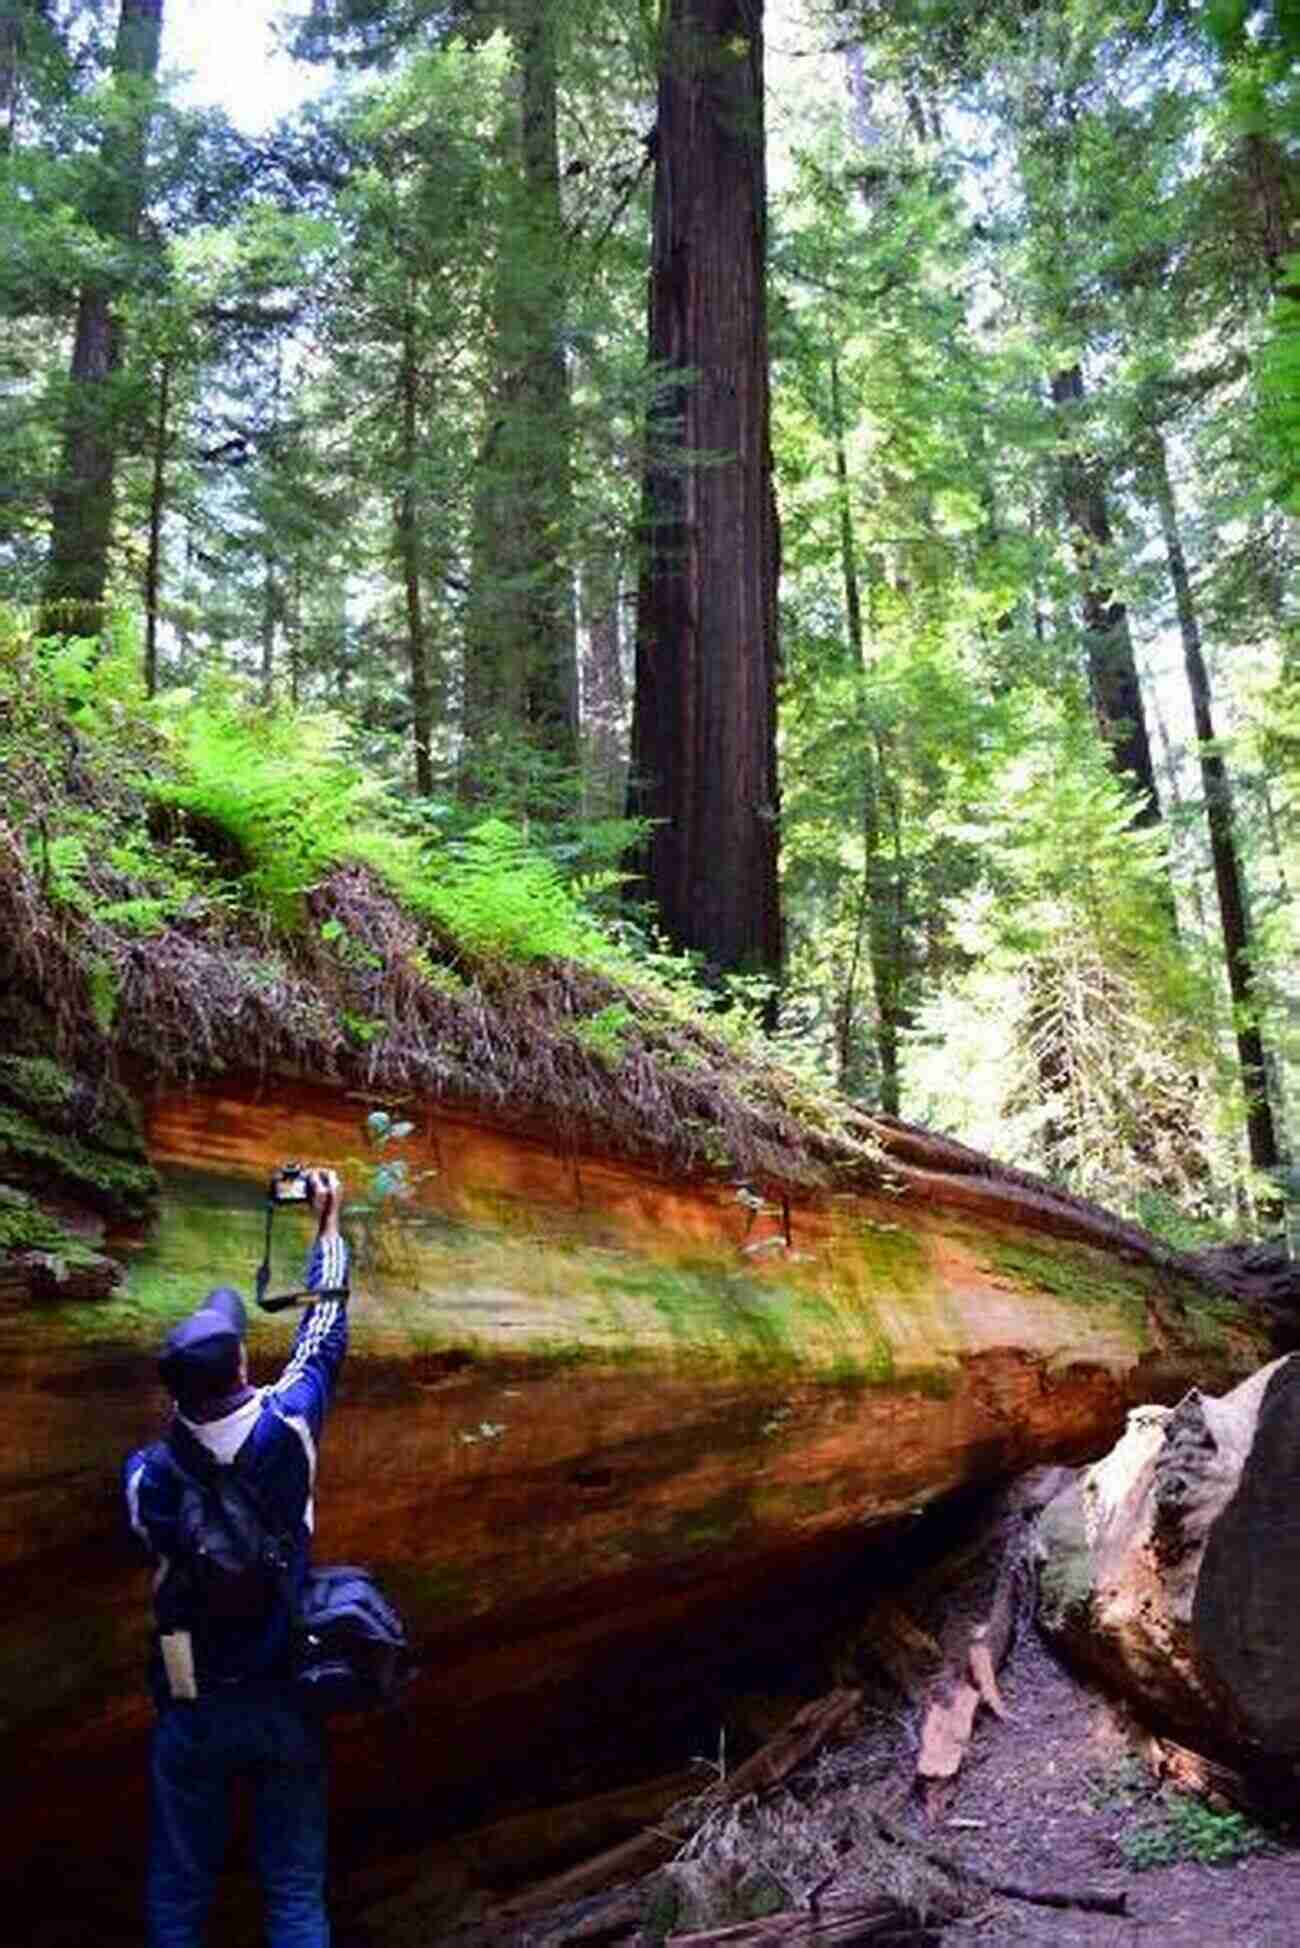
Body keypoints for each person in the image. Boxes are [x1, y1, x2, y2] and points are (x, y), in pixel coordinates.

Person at [123, 1169, 350, 1948]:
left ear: (175, 1398)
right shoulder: (288, 1431)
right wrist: (327, 1231)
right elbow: (324, 1339)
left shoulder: (149, 1477)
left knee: (178, 1893)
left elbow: (151, 1501)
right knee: (293, 1891)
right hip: (288, 1692)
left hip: (193, 1705)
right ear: (245, 1370)